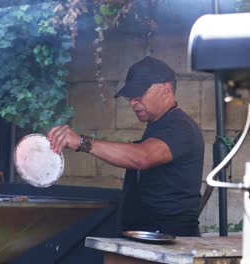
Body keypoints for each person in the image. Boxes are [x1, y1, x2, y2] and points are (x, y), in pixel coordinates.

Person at [47, 56, 204, 236]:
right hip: (149, 235)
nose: (132, 102)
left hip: (171, 240)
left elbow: (142, 157)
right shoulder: (158, 126)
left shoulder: (180, 127)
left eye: (139, 94)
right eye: (130, 97)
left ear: (166, 90)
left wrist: (82, 142)